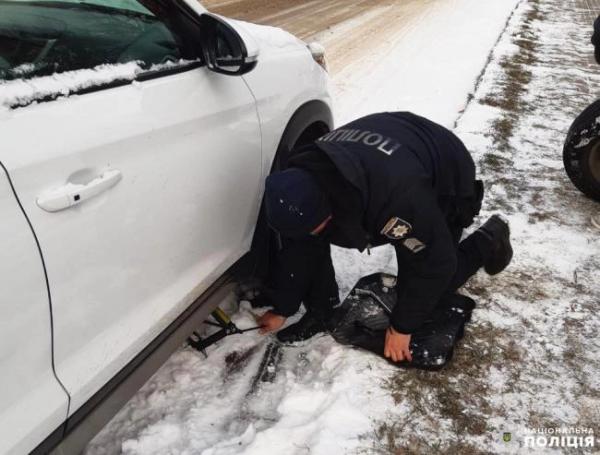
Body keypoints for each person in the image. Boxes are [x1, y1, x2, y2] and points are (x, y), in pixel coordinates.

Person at [256, 111, 513, 364]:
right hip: (392, 144)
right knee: (309, 237)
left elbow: (435, 262)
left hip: (445, 165)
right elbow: (299, 246)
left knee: (430, 284)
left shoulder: (396, 201)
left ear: (330, 206)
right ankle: (321, 309)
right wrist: (283, 307)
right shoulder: (297, 179)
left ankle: (489, 238)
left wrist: (402, 328)